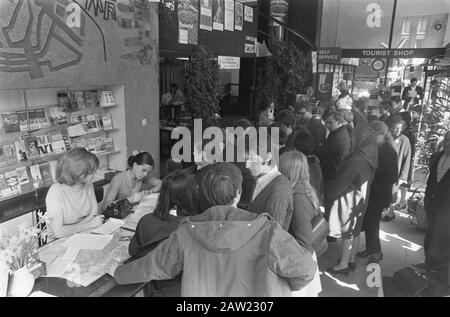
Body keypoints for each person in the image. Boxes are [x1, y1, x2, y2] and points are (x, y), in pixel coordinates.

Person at [107, 163, 317, 296]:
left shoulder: (186, 232)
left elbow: (152, 266)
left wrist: (118, 274)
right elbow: (306, 270)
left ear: (203, 194)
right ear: (238, 193)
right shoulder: (269, 232)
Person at [325, 125, 378, 275]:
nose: (352, 139)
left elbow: (341, 182)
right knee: (355, 231)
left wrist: (329, 193)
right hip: (361, 198)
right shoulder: (370, 157)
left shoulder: (355, 159)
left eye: (354, 137)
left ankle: (343, 265)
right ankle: (351, 260)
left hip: (349, 200)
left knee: (347, 232)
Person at [279, 151, 323, 297]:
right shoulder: (304, 189)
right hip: (303, 259)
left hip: (299, 262)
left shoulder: (298, 198)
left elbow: (304, 242)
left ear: (287, 171)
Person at [128, 170, 199, 258]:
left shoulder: (145, 221)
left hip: (149, 268)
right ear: (191, 195)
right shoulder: (197, 226)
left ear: (162, 195)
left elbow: (133, 251)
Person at [359, 121, 398, 264]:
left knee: (373, 223)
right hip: (373, 191)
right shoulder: (378, 147)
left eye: (372, 134)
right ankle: (371, 249)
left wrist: (375, 180)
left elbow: (393, 176)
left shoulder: (389, 151)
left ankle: (376, 252)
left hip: (379, 193)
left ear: (379, 134)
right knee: (370, 221)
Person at [45, 148, 103, 238]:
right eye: (91, 171)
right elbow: (59, 233)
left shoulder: (88, 184)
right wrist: (89, 225)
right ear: (79, 173)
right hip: (60, 242)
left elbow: (94, 214)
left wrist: (69, 229)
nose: (95, 173)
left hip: (85, 235)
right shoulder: (56, 192)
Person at [416, 131, 450, 276]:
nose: (448, 143)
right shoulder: (436, 156)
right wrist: (426, 197)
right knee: (430, 234)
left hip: (446, 207)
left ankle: (438, 268)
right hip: (432, 202)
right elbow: (431, 181)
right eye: (447, 139)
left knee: (442, 237)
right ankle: (428, 262)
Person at [246, 133, 294, 230]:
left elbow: (272, 235)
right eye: (246, 159)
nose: (247, 165)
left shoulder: (279, 192)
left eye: (252, 159)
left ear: (268, 157)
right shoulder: (259, 179)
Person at [381, 115, 412, 221]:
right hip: (383, 171)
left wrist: (403, 176)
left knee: (392, 194)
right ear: (390, 128)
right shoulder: (385, 138)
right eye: (395, 128)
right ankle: (384, 211)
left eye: (400, 128)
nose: (398, 130)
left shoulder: (405, 140)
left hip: (396, 172)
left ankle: (390, 213)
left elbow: (407, 159)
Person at [315, 111, 351, 191]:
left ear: (339, 122)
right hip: (333, 170)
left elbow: (321, 152)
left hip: (333, 173)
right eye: (326, 122)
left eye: (330, 123)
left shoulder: (338, 136)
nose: (327, 125)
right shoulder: (338, 131)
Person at [294, 130, 325, 205]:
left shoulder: (299, 167)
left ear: (296, 148)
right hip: (316, 202)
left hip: (305, 203)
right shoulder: (316, 164)